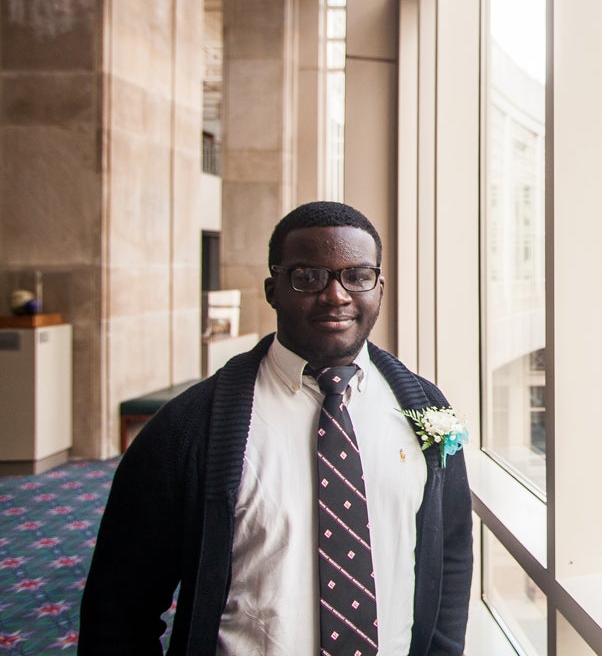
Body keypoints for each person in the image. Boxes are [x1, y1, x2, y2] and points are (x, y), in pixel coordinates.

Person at [79, 201, 472, 655]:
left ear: (379, 287)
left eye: (358, 276)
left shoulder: (425, 409)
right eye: (308, 276)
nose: (336, 295)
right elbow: (120, 606)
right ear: (272, 289)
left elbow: (451, 553)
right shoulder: (186, 429)